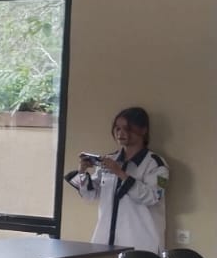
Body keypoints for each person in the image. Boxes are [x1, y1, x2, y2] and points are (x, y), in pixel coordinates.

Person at [66, 106, 168, 250]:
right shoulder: (109, 160)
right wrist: (82, 171)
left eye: (128, 128)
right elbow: (90, 195)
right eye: (117, 128)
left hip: (141, 243)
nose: (121, 133)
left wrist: (120, 173)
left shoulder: (156, 164)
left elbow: (152, 197)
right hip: (105, 240)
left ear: (143, 130)